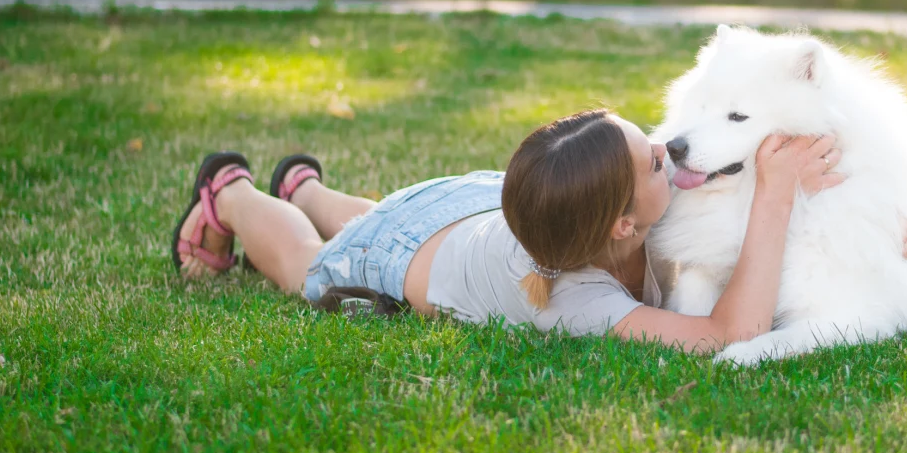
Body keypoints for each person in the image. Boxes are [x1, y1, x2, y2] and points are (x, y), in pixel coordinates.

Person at [170, 110, 842, 353]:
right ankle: (233, 192)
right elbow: (728, 334)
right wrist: (775, 195)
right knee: (306, 262)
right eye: (657, 160)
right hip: (411, 248)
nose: (670, 149)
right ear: (623, 224)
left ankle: (307, 187)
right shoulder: (576, 302)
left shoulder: (590, 210)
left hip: (487, 202)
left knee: (382, 218)